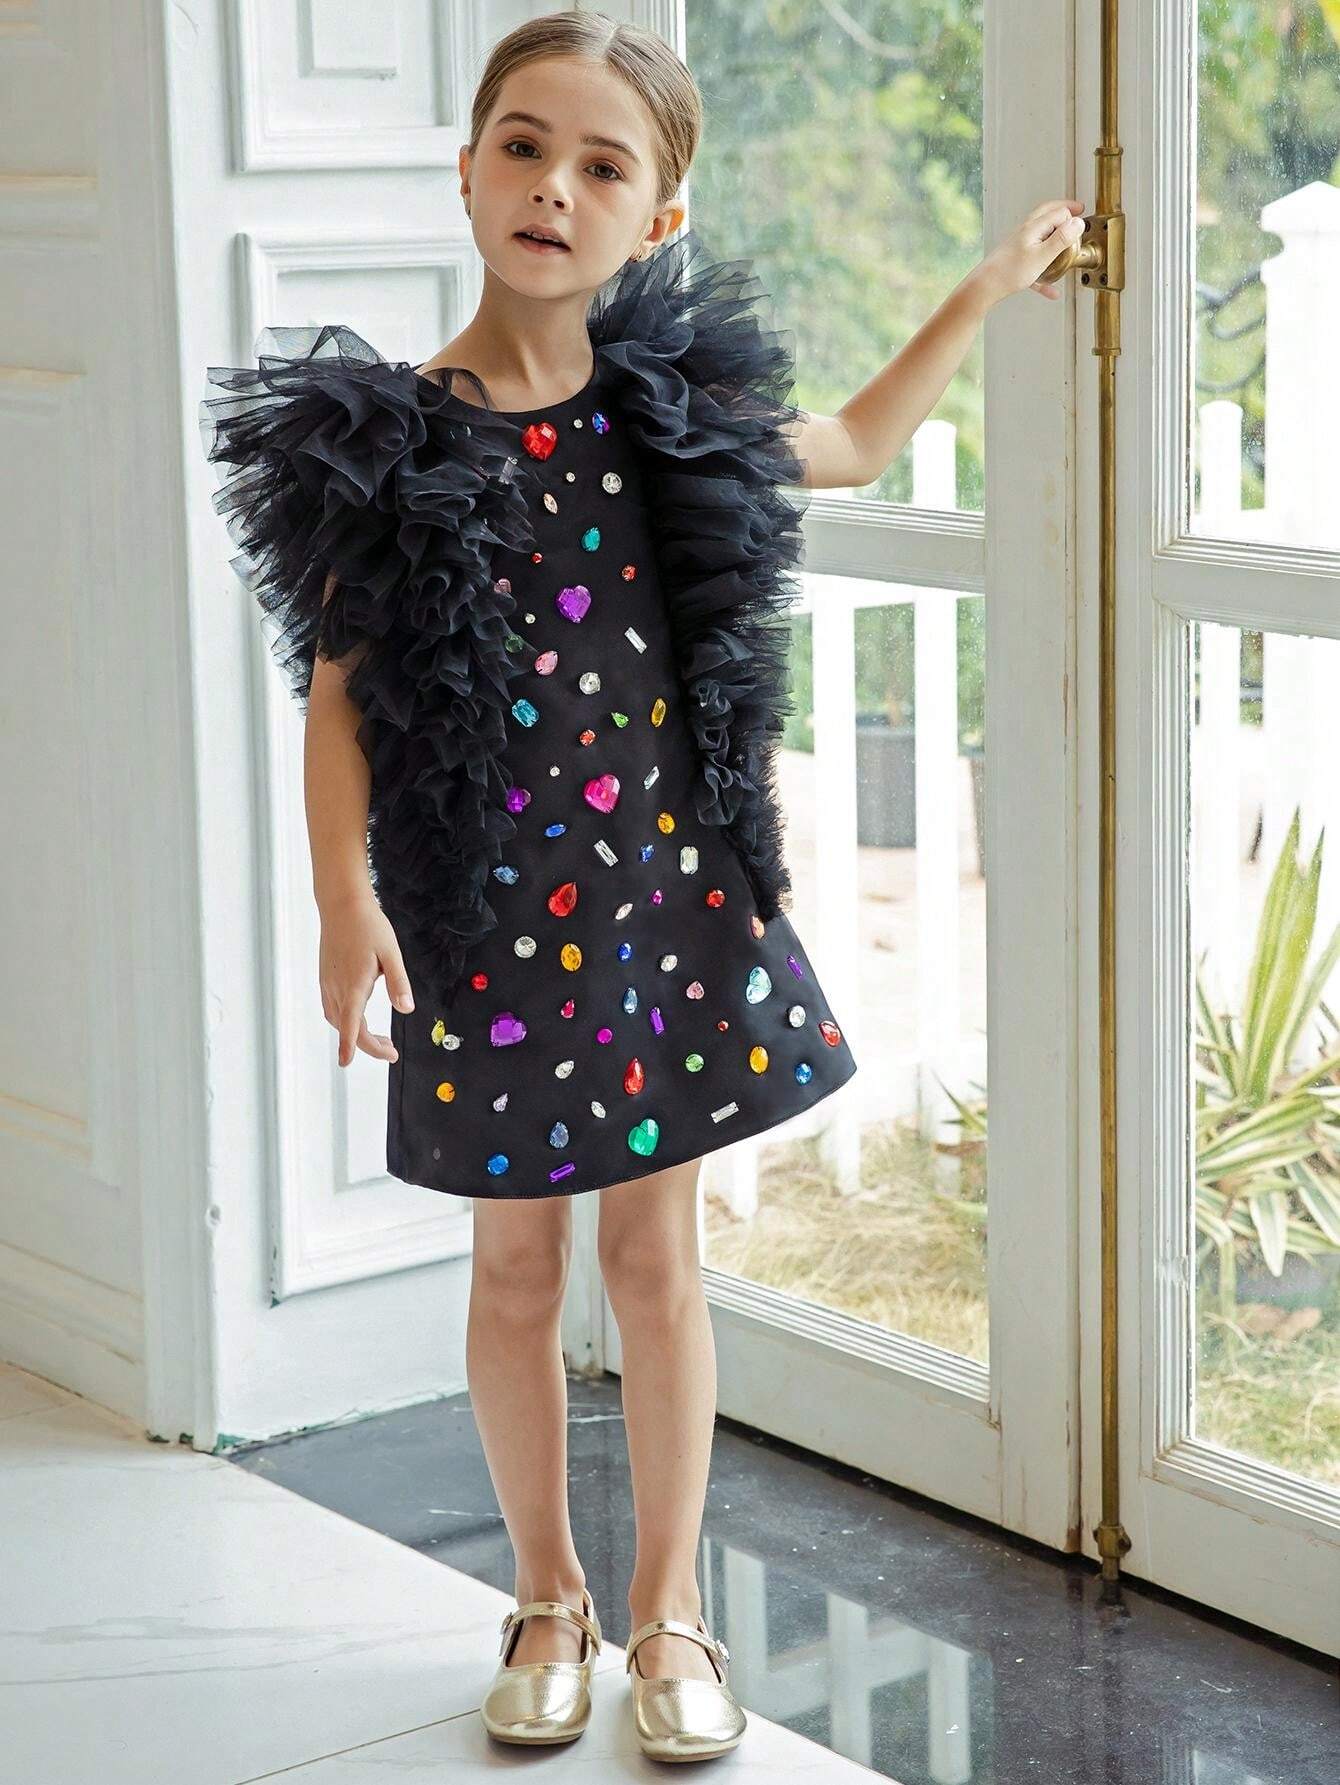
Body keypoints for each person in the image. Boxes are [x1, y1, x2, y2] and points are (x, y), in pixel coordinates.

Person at [199, 9, 1082, 1764]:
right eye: (524, 147)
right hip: (483, 919)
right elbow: (340, 697)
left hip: (664, 907)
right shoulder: (392, 442)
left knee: (656, 1260)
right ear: (467, 170)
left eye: (602, 165)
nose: (554, 187)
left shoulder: (666, 416)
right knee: (516, 1269)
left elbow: (853, 447)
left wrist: (984, 292)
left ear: (656, 218)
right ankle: (548, 1594)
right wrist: (341, 901)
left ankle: (672, 1606)